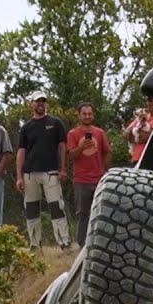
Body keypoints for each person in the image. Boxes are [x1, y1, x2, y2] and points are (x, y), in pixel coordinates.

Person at [15, 89, 70, 250]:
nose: (40, 104)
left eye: (43, 101)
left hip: (51, 172)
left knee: (56, 207)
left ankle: (63, 242)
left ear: (46, 103)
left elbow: (62, 146)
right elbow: (21, 151)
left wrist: (63, 169)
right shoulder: (26, 127)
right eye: (37, 101)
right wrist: (19, 176)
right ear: (32, 103)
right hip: (30, 174)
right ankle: (34, 243)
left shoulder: (55, 123)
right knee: (31, 209)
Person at [65, 102, 111, 247]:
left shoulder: (100, 132)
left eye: (89, 113)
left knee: (101, 213)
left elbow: (107, 152)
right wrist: (81, 147)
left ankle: (100, 243)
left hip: (99, 179)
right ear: (79, 115)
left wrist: (106, 172)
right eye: (84, 114)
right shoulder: (73, 134)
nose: (87, 116)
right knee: (82, 214)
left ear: (93, 115)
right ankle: (82, 244)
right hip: (81, 180)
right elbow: (70, 155)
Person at [124, 94, 153, 164]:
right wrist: (140, 136)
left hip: (151, 160)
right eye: (150, 100)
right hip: (136, 159)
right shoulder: (142, 116)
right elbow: (125, 134)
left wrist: (135, 135)